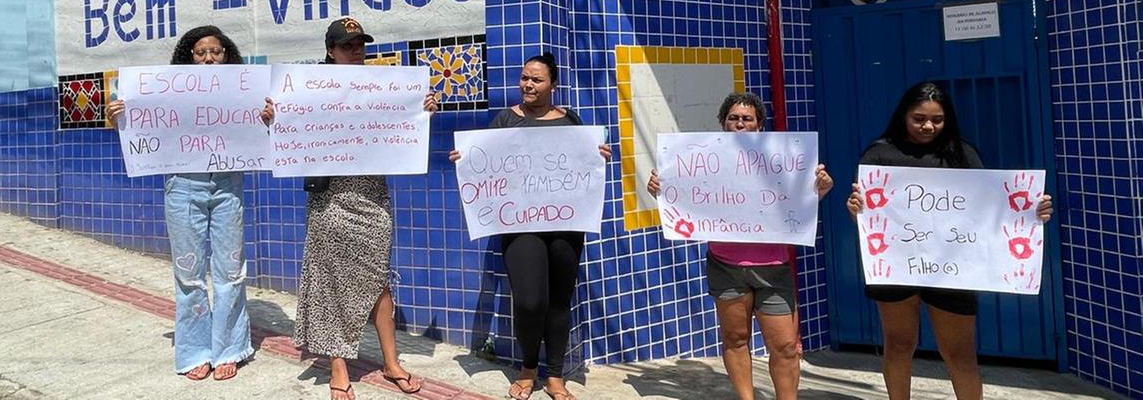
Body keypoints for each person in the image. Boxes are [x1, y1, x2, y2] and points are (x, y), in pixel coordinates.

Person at [846, 81, 1053, 400]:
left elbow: (990, 208)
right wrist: (856, 210)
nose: (928, 126)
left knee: (960, 353)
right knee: (899, 346)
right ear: (903, 115)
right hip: (896, 267)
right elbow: (869, 220)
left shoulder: (962, 153)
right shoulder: (880, 154)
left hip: (953, 270)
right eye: (919, 118)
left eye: (937, 119)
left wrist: (1030, 214)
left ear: (948, 119)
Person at [106, 25, 274, 381]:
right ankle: (196, 350)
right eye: (200, 52)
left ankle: (230, 348)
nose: (209, 57)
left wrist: (267, 118)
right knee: (188, 274)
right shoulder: (167, 92)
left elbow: (266, 131)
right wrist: (118, 116)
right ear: (189, 57)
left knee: (231, 271)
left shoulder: (245, 93)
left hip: (227, 185)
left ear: (227, 55)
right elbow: (135, 126)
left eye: (216, 51)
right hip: (182, 187)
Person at [645, 91, 833, 400]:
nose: (740, 124)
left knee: (785, 346)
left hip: (773, 269)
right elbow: (684, 199)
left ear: (760, 126)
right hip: (726, 266)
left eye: (747, 119)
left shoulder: (782, 160)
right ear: (723, 124)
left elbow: (798, 206)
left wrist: (819, 189)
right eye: (733, 118)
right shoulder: (702, 159)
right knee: (735, 338)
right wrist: (661, 191)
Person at [448, 52, 611, 400]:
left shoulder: (570, 120)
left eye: (536, 79)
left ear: (553, 84)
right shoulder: (506, 119)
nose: (527, 84)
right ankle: (527, 367)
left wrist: (598, 156)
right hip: (521, 226)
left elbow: (584, 164)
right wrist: (464, 159)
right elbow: (482, 160)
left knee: (559, 300)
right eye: (524, 78)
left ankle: (554, 375)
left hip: (566, 224)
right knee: (529, 300)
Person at [293, 17, 439, 400]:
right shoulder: (309, 89)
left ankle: (391, 363)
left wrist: (422, 111)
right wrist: (274, 118)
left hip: (373, 197)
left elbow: (402, 131)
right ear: (330, 51)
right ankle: (338, 365)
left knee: (378, 281)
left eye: (360, 45)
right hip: (330, 199)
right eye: (347, 46)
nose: (356, 51)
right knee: (330, 283)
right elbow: (288, 133)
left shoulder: (384, 88)